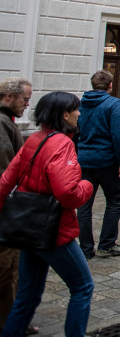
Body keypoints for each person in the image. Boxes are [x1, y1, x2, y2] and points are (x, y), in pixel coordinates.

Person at [0, 91, 94, 337]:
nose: (79, 113)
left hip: (26, 227)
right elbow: (67, 193)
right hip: (53, 230)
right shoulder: (62, 144)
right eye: (76, 109)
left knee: (26, 296)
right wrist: (88, 186)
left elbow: (6, 181)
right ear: (65, 114)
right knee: (83, 286)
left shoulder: (35, 139)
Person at [76, 70, 120, 260]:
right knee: (114, 200)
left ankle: (85, 248)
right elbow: (118, 134)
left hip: (84, 160)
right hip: (107, 161)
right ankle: (106, 244)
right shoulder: (113, 103)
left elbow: (75, 131)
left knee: (83, 205)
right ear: (110, 85)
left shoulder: (81, 105)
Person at [0, 77, 31, 329]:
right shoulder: (2, 124)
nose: (27, 105)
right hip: (6, 209)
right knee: (8, 268)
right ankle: (10, 323)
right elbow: (7, 168)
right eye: (24, 99)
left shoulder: (7, 122)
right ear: (8, 97)